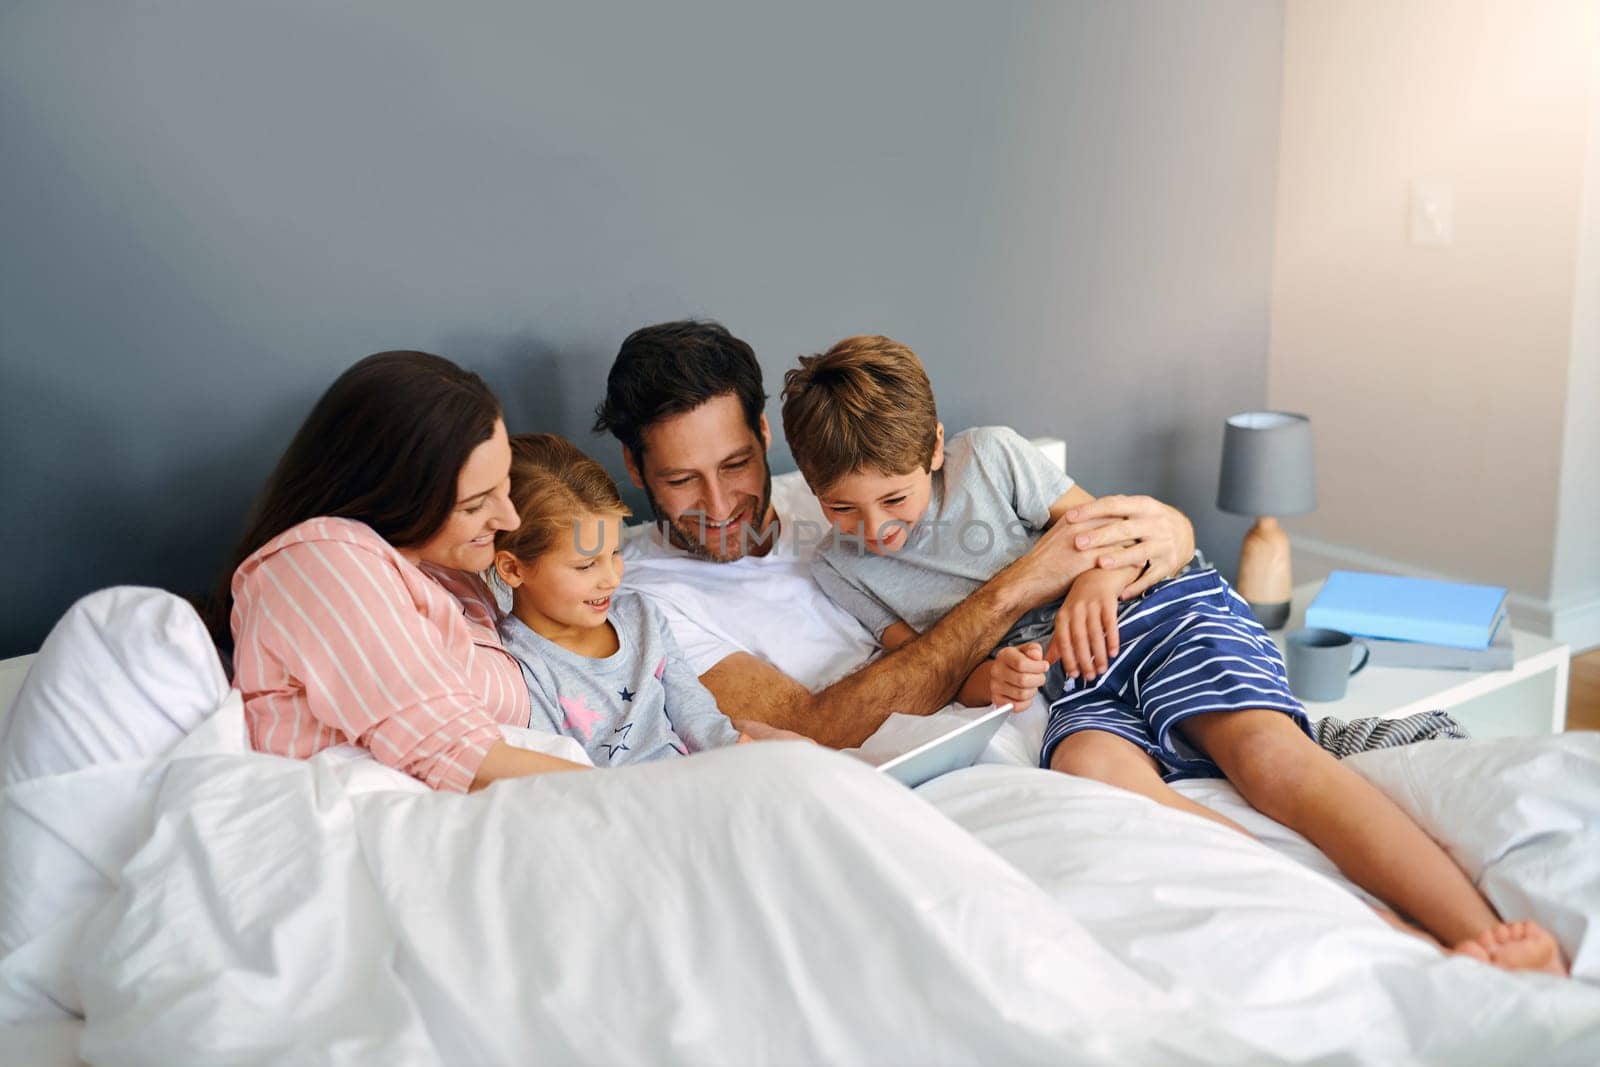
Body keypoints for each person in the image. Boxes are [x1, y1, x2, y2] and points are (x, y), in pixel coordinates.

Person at [777, 333, 1566, 976]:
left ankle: (1476, 929)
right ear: (811, 488)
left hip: (1152, 612)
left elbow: (1116, 530)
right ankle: (1375, 923)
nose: (876, 526)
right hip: (1070, 679)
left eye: (894, 498)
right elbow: (931, 665)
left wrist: (1093, 582)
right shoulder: (841, 569)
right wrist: (993, 676)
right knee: (1091, 770)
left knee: (1270, 760)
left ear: (936, 448)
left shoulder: (993, 457)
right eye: (841, 506)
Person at [596, 319, 1200, 751]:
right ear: (634, 466)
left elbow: (1129, 533)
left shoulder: (838, 488)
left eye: (735, 465)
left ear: (762, 433)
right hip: (950, 747)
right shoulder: (644, 598)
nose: (721, 503)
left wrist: (1173, 530)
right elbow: (810, 728)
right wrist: (1019, 587)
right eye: (680, 479)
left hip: (1046, 695)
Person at [212, 351, 591, 791]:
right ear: (394, 496)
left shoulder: (444, 569)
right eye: (474, 505)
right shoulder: (323, 563)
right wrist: (639, 795)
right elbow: (455, 754)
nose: (509, 518)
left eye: (504, 485)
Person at [491, 433, 798, 764]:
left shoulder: (641, 615)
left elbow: (696, 714)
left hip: (700, 781)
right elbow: (560, 772)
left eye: (615, 552)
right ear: (512, 568)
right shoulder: (519, 666)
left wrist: (735, 752)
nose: (611, 578)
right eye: (586, 565)